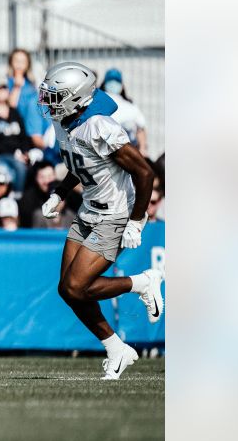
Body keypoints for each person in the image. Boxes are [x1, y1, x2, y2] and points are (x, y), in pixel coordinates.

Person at [35, 61, 164, 380]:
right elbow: (80, 163)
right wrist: (60, 192)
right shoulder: (63, 121)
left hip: (115, 214)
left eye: (55, 95)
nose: (48, 101)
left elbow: (145, 172)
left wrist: (136, 221)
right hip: (89, 209)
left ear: (75, 98)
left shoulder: (100, 127)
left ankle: (143, 282)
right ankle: (116, 349)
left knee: (77, 285)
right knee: (68, 290)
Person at [100, 68, 149, 155]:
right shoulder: (97, 103)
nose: (113, 84)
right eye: (110, 81)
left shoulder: (130, 106)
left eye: (116, 81)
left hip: (127, 153)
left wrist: (142, 149)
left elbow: (140, 129)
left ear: (122, 85)